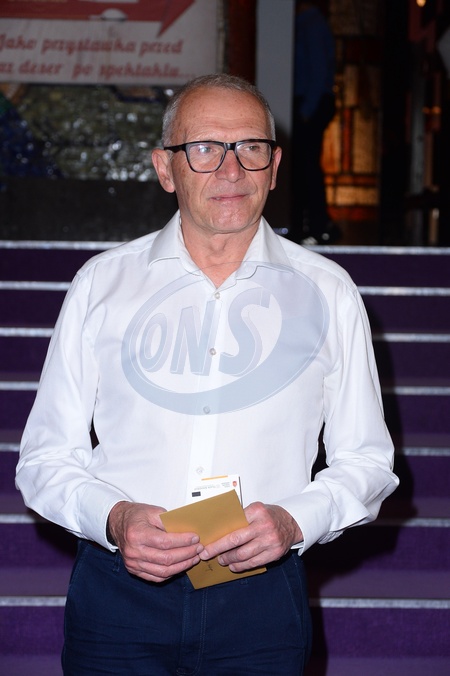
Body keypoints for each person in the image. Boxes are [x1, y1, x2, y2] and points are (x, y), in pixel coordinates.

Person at [16, 73, 398, 675]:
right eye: (204, 149)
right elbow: (44, 458)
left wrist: (294, 521)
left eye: (250, 147)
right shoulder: (102, 285)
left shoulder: (329, 293)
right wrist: (114, 519)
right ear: (165, 169)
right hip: (119, 595)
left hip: (261, 599)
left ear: (274, 166)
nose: (231, 170)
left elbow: (368, 462)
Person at [291, 0, 341, 245]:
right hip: (308, 102)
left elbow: (319, 70)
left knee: (307, 167)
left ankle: (317, 225)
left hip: (310, 103)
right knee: (304, 167)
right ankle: (311, 225)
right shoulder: (306, 23)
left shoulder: (311, 23)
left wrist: (307, 110)